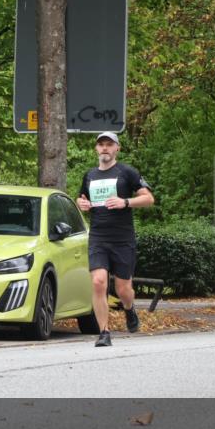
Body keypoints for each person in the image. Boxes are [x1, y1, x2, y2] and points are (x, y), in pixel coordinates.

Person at [76, 131, 154, 347]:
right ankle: (104, 332)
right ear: (96, 149)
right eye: (101, 145)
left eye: (109, 144)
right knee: (99, 282)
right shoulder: (89, 175)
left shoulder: (126, 172)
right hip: (98, 237)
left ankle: (129, 309)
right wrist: (82, 205)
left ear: (117, 148)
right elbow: (81, 199)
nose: (105, 148)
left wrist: (125, 202)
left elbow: (149, 198)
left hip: (122, 238)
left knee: (123, 290)